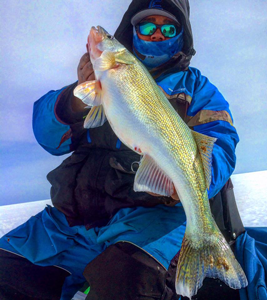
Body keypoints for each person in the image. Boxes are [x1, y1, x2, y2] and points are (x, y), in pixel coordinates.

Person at [0, 0, 245, 299]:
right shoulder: (98, 83)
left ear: (182, 35)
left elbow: (220, 142)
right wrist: (75, 99)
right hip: (67, 223)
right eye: (147, 26)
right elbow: (48, 137)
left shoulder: (197, 89)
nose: (157, 34)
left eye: (168, 27)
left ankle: (200, 242)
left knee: (129, 285)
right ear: (133, 30)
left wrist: (191, 181)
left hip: (148, 222)